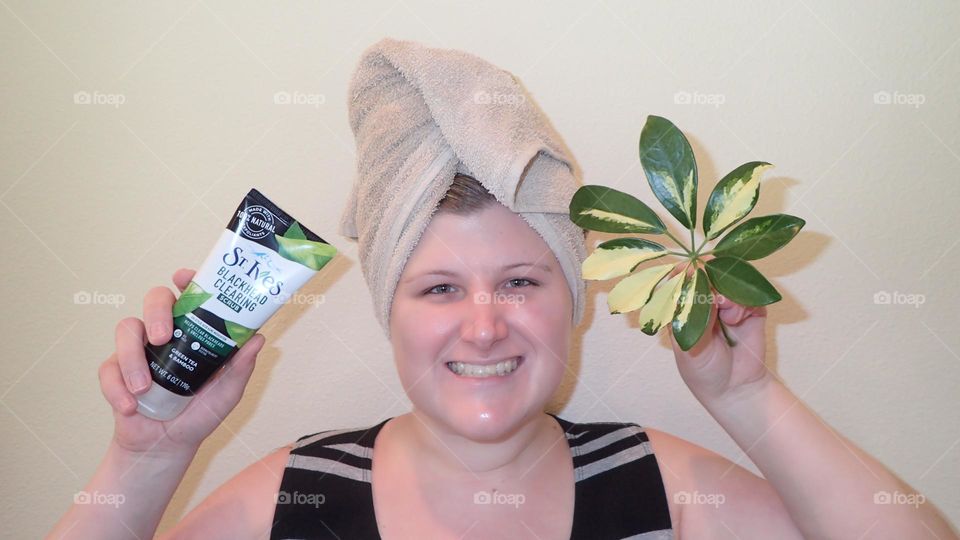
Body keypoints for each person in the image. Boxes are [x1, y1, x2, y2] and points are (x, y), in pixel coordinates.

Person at [49, 33, 958, 538]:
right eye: (439, 289)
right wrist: (146, 460)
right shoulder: (293, 501)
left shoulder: (661, 492)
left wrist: (751, 398)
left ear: (577, 300)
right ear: (389, 314)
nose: (484, 327)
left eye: (521, 279)